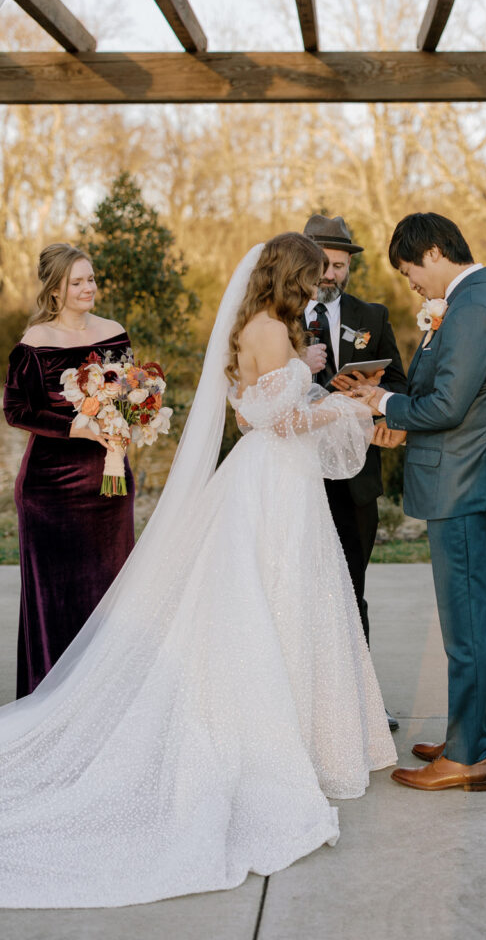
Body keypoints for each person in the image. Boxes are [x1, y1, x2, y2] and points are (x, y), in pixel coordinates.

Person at [0, 232, 395, 909]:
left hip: (271, 481)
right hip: (274, 480)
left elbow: (248, 408)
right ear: (290, 275)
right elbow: (273, 419)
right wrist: (347, 405)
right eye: (311, 275)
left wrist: (307, 376)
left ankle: (291, 734)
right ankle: (271, 749)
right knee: (274, 601)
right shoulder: (273, 328)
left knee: (278, 603)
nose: (317, 285)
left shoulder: (257, 325)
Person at [359, 212, 486, 791]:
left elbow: (447, 407)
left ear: (432, 252)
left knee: (466, 625)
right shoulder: (473, 298)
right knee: (482, 616)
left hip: (461, 481)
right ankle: (477, 732)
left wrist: (383, 405)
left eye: (408, 272)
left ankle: (468, 755)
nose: (412, 286)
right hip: (468, 474)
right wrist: (397, 406)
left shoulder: (472, 308)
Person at [3, 243, 134, 699]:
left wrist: (139, 418)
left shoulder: (114, 333)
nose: (88, 288)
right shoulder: (35, 343)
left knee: (111, 588)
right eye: (77, 282)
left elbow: (132, 396)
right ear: (55, 290)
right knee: (55, 597)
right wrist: (74, 426)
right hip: (51, 489)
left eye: (91, 279)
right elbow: (15, 410)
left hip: (109, 480)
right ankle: (51, 696)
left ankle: (106, 696)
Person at [301, 215, 407, 667]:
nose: (331, 274)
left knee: (352, 590)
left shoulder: (373, 316)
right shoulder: (276, 317)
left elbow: (401, 384)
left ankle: (360, 700)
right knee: (299, 589)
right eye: (324, 263)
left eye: (340, 266)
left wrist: (387, 409)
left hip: (357, 477)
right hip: (297, 473)